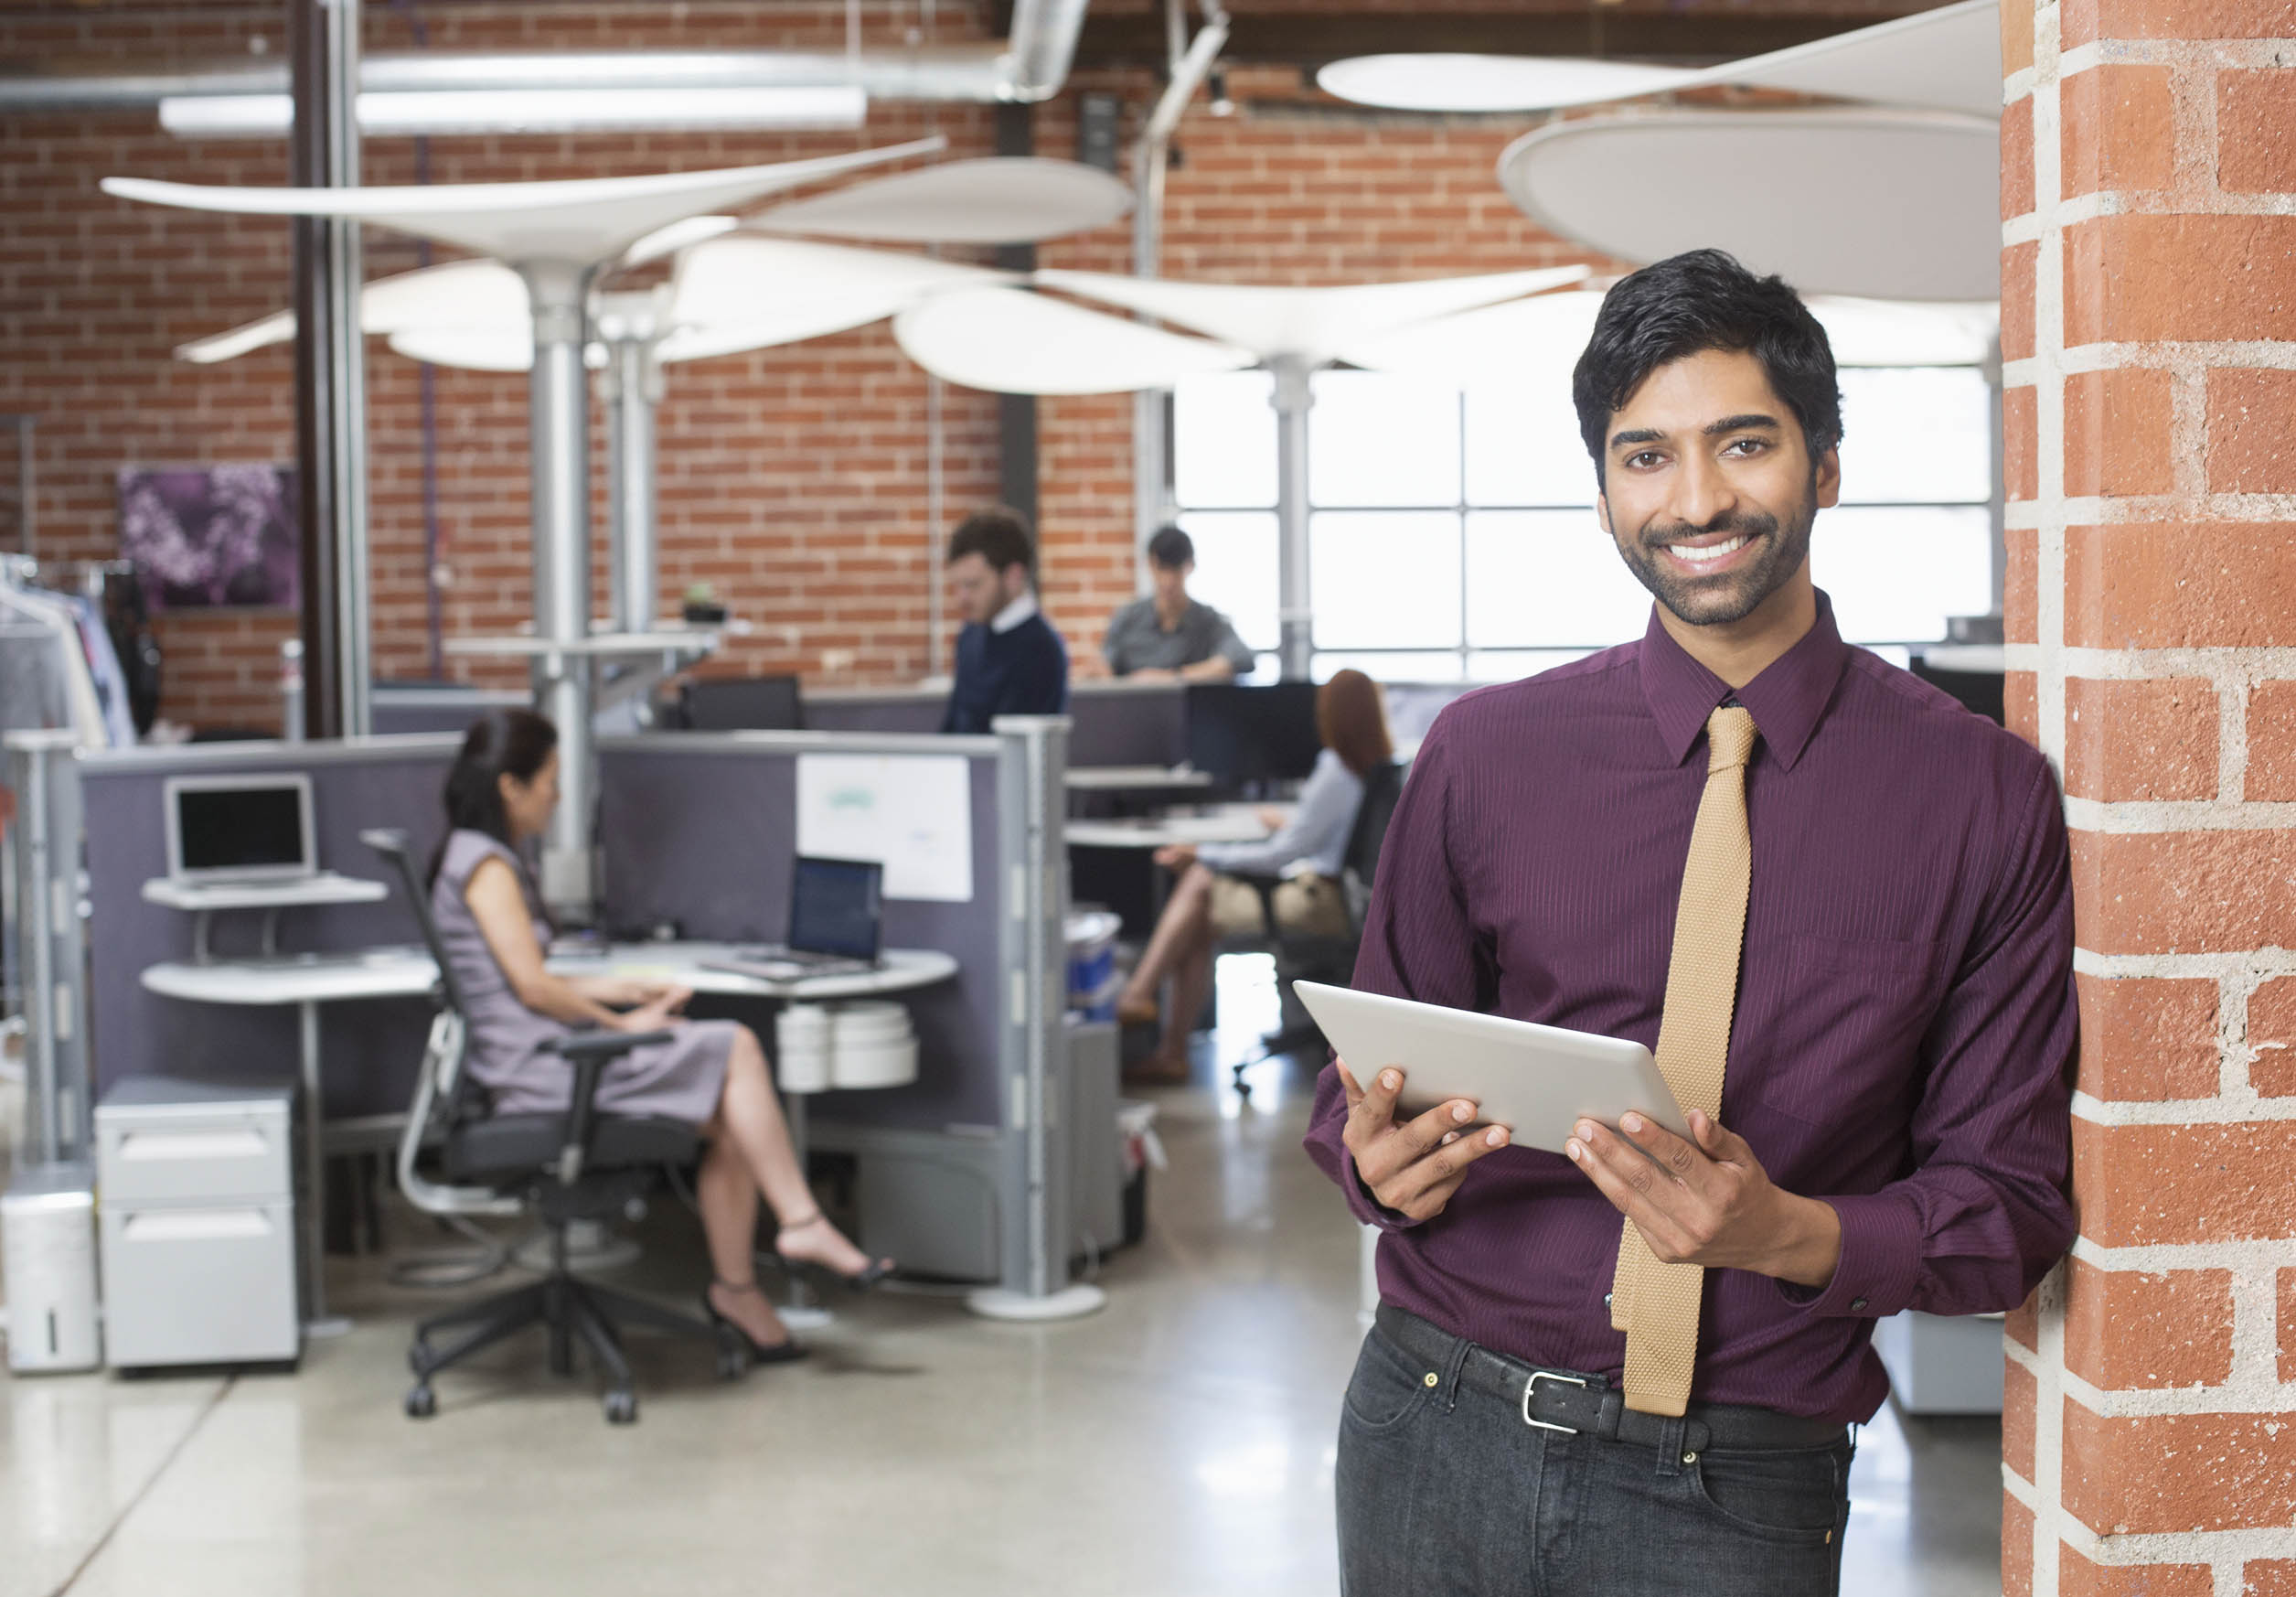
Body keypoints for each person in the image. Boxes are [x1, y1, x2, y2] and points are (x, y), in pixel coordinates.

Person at [1306, 250, 2076, 1596]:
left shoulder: (1978, 795)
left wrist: (1783, 1232)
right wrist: (1372, 1159)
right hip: (1429, 1419)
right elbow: (1358, 1084)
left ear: (1823, 465)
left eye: (1742, 444)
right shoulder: (1482, 756)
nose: (1696, 499)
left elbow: (2005, 1205)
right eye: (1644, 455)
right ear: (1604, 488)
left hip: (1737, 1474)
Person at [428, 709, 892, 1361]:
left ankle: (737, 1292)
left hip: (535, 1055)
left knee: (732, 1121)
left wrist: (621, 989)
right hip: (540, 1071)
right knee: (736, 1046)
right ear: (510, 786)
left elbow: (519, 977)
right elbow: (532, 989)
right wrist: (624, 1025)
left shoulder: (475, 858)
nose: (557, 796)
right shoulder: (488, 869)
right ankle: (801, 1222)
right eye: (550, 781)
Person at [1116, 669, 1393, 1081]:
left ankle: (1142, 998)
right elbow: (1322, 838)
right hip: (1346, 899)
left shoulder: (1335, 767)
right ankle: (1169, 1048)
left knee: (1201, 880)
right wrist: (1288, 826)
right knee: (1201, 917)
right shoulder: (1374, 764)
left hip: (1322, 903)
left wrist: (1201, 853)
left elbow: (1281, 856)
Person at [941, 507, 1069, 734]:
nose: (961, 598)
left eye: (973, 585)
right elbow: (953, 725)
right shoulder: (970, 633)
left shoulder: (1041, 650)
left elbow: (1012, 748)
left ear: (1013, 576)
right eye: (957, 586)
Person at [1101, 525, 1257, 682]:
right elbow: (1105, 667)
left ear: (1190, 566)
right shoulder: (1127, 618)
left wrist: (1170, 678)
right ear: (1150, 564)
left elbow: (1241, 658)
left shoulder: (1208, 620)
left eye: (1176, 570)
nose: (1168, 581)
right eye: (1162, 568)